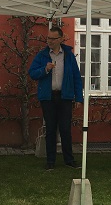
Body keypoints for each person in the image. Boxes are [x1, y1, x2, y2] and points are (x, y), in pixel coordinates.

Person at [29, 27, 83, 170]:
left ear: (60, 39)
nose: (50, 41)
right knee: (51, 129)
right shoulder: (42, 55)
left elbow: (76, 77)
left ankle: (69, 160)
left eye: (53, 39)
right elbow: (32, 73)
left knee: (65, 129)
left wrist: (79, 97)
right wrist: (45, 69)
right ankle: (50, 161)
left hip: (65, 96)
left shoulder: (68, 55)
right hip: (48, 97)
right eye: (48, 38)